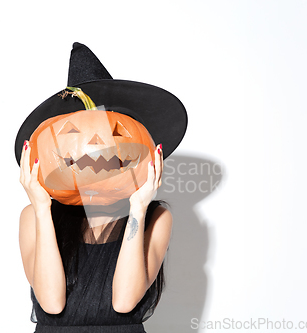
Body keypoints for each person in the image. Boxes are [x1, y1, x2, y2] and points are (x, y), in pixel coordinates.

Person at [14, 43, 187, 332]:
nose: (96, 147)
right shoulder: (33, 216)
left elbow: (124, 302)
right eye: (73, 133)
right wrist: (42, 208)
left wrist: (138, 210)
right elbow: (51, 303)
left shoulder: (155, 218)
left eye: (115, 132)